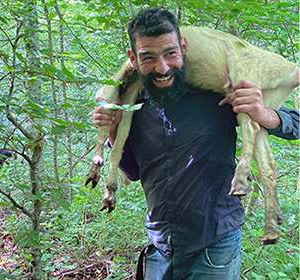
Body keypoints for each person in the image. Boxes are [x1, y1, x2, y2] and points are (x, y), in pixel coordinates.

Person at [92, 7, 299, 280]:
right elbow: (133, 172)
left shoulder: (216, 89)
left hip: (214, 246)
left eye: (170, 53)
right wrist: (113, 128)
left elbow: (295, 125)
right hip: (160, 246)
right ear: (134, 59)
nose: (162, 67)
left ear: (183, 47)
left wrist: (263, 113)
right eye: (149, 57)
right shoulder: (137, 104)